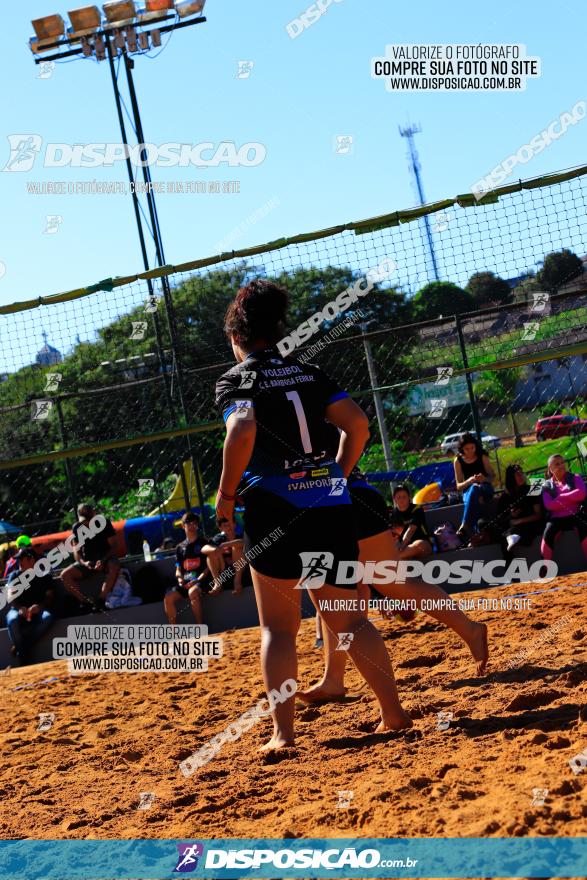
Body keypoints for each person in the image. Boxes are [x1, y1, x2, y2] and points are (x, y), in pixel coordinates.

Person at [215, 278, 411, 752]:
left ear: (237, 339)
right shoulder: (310, 373)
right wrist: (337, 475)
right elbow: (358, 424)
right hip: (327, 503)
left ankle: (283, 735)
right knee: (351, 620)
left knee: (279, 629)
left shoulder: (237, 378)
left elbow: (241, 429)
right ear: (277, 331)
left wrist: (224, 496)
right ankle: (393, 712)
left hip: (274, 506)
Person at [301, 466, 489, 704]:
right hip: (335, 497)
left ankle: (470, 630)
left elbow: (355, 434)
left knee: (377, 586)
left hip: (336, 498)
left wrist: (336, 480)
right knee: (344, 593)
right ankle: (333, 679)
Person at [61, 504, 120, 606]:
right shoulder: (77, 528)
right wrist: (84, 563)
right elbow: (76, 551)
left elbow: (114, 546)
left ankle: (101, 599)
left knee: (114, 566)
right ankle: (85, 602)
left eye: (88, 519)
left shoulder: (104, 523)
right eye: (84, 521)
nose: (87, 523)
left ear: (94, 514)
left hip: (106, 558)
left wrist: (103, 560)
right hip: (88, 561)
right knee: (65, 575)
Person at [6, 548, 55, 664]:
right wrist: (19, 608)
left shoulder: (45, 575)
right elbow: (9, 597)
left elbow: (50, 596)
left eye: (21, 559)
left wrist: (39, 606)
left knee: (47, 617)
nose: (19, 563)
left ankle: (22, 648)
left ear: (32, 560)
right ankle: (24, 651)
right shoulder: (14, 575)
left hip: (39, 610)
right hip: (17, 610)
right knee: (12, 620)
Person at [540, 454, 587, 562]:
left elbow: (581, 494)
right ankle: (544, 571)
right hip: (557, 518)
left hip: (576, 514)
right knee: (548, 533)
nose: (561, 465)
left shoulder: (575, 477)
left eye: (562, 463)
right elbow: (549, 505)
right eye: (557, 464)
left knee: (584, 527)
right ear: (551, 469)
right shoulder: (546, 485)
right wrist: (571, 496)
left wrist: (561, 497)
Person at [165, 512, 208, 625]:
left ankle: (200, 627)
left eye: (194, 523)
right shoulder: (179, 547)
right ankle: (174, 634)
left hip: (201, 582)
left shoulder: (203, 542)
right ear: (182, 526)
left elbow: (209, 566)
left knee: (192, 592)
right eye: (188, 523)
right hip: (185, 583)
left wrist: (198, 579)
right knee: (168, 597)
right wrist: (180, 579)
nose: (192, 526)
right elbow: (178, 568)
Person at [495, 465, 543, 557]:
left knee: (512, 532)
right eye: (517, 475)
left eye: (522, 473)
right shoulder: (506, 496)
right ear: (511, 478)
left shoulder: (533, 488)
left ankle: (510, 536)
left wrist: (519, 521)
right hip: (512, 525)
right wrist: (511, 516)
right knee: (484, 523)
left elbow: (538, 515)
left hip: (530, 524)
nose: (521, 476)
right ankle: (509, 537)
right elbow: (500, 519)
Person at [453, 432, 495, 539]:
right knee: (475, 490)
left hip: (485, 488)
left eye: (472, 447)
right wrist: (470, 481)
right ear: (462, 449)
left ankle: (465, 525)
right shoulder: (458, 461)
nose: (470, 451)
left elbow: (492, 478)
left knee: (477, 489)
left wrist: (484, 478)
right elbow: (459, 486)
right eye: (467, 449)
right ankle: (479, 532)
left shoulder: (482, 456)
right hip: (469, 491)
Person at [202, 517, 246, 594]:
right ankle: (218, 584)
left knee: (237, 547)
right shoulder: (219, 538)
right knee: (211, 555)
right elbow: (203, 549)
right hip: (225, 573)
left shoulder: (241, 534)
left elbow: (244, 543)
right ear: (220, 528)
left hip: (242, 572)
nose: (229, 527)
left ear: (235, 524)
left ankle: (237, 582)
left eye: (230, 524)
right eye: (225, 525)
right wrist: (215, 549)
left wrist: (226, 544)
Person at [389, 484, 433, 560]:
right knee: (402, 554)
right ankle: (398, 557)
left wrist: (402, 546)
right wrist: (398, 546)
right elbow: (395, 536)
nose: (401, 499)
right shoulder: (393, 514)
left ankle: (394, 558)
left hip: (422, 544)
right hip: (404, 549)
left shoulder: (417, 509)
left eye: (404, 497)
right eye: (399, 497)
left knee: (419, 545)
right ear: (394, 499)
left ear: (409, 497)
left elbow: (411, 530)